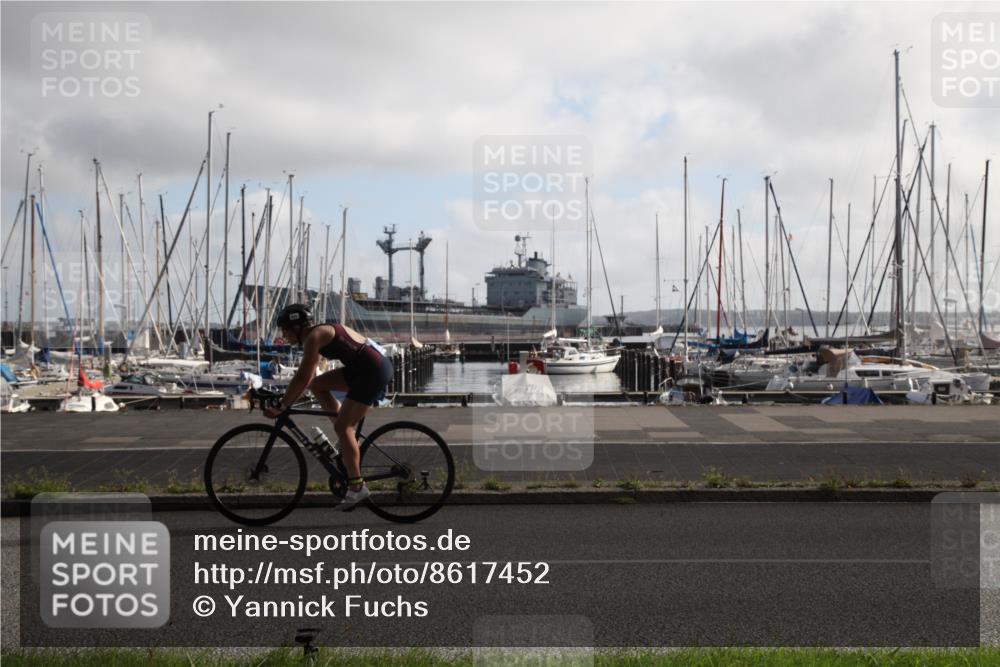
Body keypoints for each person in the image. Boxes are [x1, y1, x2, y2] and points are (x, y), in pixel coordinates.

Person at [263, 303, 394, 509]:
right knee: (319, 385)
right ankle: (347, 441)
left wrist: (283, 404)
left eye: (285, 331)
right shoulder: (319, 332)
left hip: (372, 371)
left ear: (297, 328)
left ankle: (357, 488)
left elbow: (302, 377)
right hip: (364, 368)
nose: (284, 336)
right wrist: (285, 399)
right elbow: (309, 382)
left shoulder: (313, 338)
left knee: (343, 427)